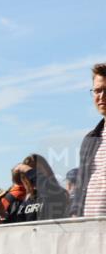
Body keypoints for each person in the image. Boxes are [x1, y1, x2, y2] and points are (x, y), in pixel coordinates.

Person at [70, 63, 106, 218]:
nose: (101, 96)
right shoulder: (90, 139)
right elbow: (80, 187)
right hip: (88, 229)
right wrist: (74, 215)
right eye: (97, 90)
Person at [21, 153, 70, 220]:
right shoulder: (27, 199)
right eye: (30, 172)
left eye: (37, 170)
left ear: (47, 170)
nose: (34, 174)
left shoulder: (56, 192)